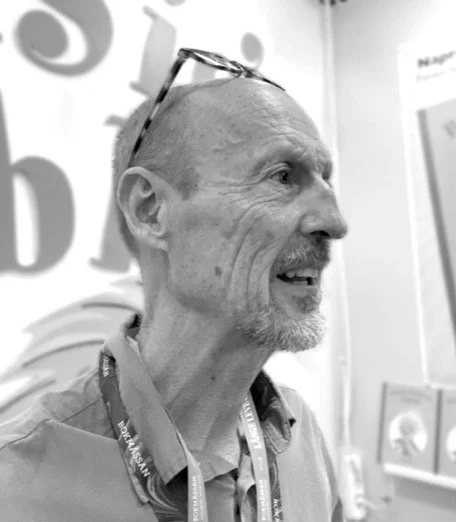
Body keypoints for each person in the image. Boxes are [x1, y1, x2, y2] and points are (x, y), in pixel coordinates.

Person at [0, 49, 347, 521]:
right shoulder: (16, 485)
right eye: (282, 177)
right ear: (150, 210)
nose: (334, 222)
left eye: (325, 181)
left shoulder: (300, 435)